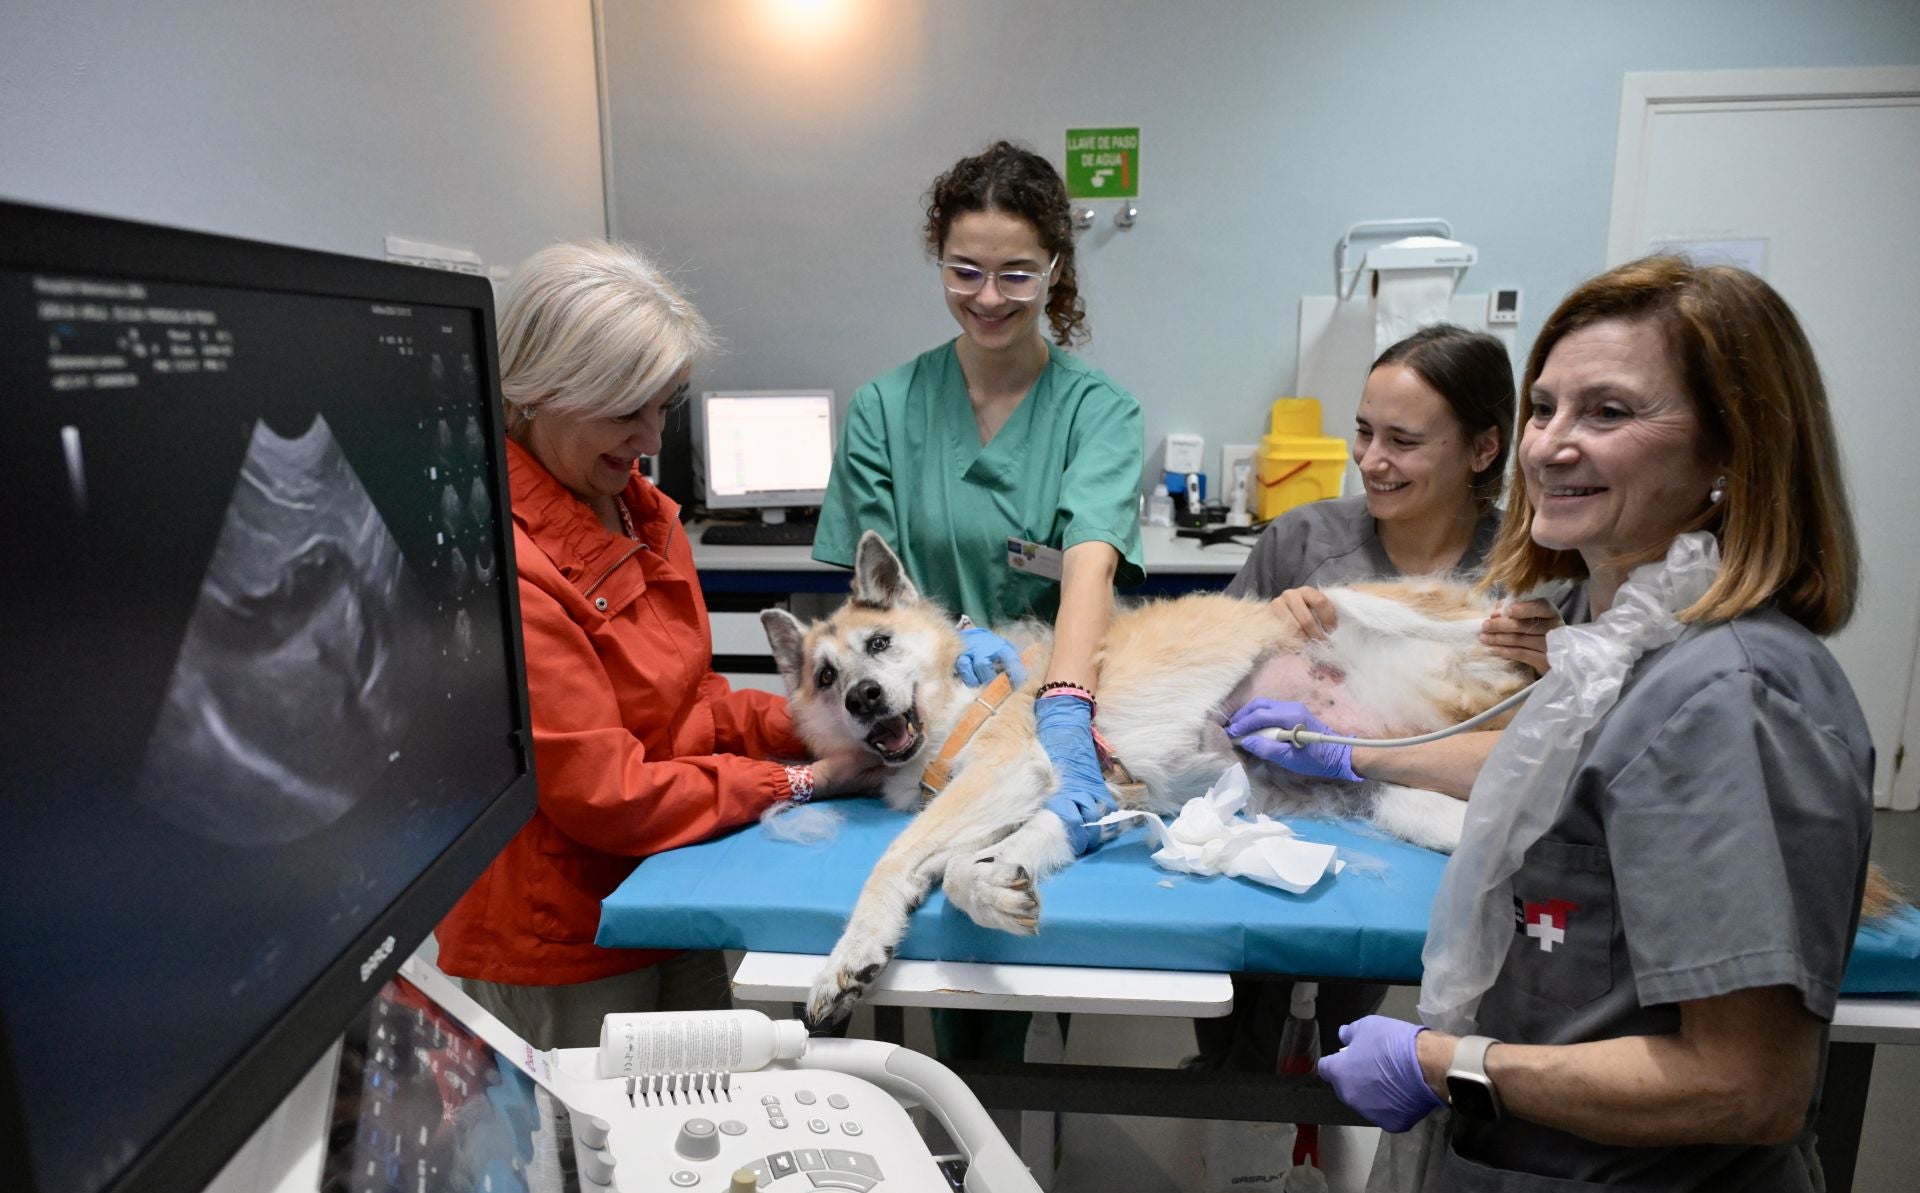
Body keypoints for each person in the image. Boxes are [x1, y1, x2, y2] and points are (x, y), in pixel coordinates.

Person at [1315, 257, 1871, 1193]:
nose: (1550, 444)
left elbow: (1747, 1082)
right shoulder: (1617, 654)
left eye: (1607, 411)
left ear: (1730, 448)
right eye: (1543, 407)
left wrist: (1448, 1061)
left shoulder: (1729, 693)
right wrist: (1343, 750)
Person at [435, 241, 877, 1049]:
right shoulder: (508, 566)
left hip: (668, 886)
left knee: (693, 1118)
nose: (647, 437)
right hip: (566, 938)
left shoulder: (637, 511)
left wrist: (829, 718)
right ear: (535, 391)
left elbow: (691, 702)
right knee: (587, 1157)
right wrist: (803, 778)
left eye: (664, 405)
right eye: (622, 409)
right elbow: (609, 791)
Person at [814, 140, 1145, 1058]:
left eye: (1016, 274)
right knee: (964, 991)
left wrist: (1066, 709)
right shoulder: (888, 406)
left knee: (1063, 950)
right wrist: (951, 641)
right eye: (964, 270)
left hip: (1061, 692)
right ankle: (972, 1146)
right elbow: (878, 587)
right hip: (940, 719)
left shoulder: (1098, 411)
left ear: (1056, 271)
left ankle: (1047, 1115)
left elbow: (1088, 562)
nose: (988, 297)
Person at [1195, 324, 1557, 1068]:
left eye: (1404, 441)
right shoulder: (1302, 543)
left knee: (1355, 1015)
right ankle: (1237, 1107)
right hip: (1273, 826)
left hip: (1427, 842)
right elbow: (1203, 676)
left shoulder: (1529, 581)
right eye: (1363, 431)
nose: (1371, 460)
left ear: (1483, 450)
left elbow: (1558, 749)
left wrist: (1562, 668)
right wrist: (1258, 632)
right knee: (1242, 1016)